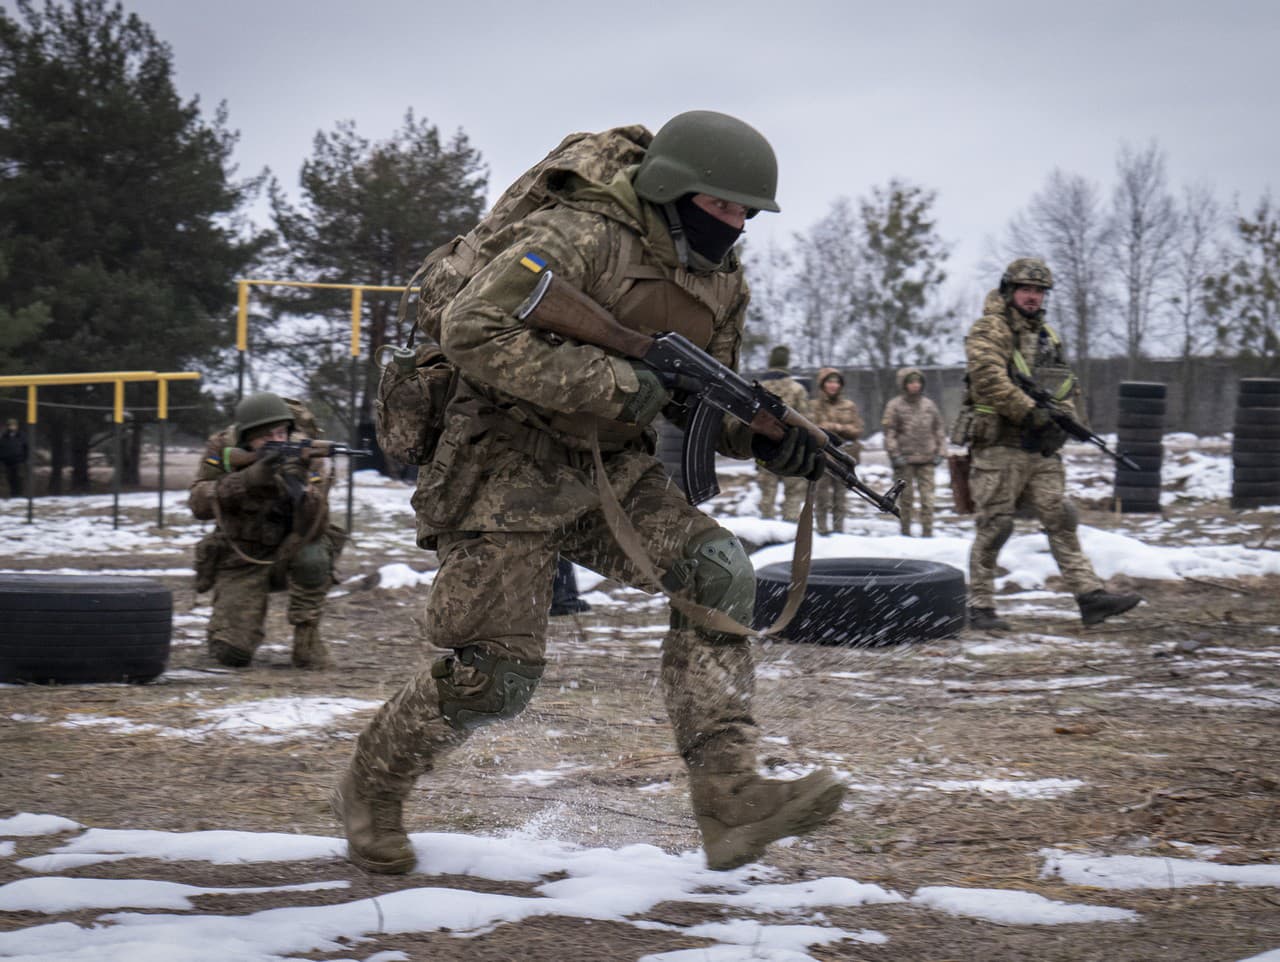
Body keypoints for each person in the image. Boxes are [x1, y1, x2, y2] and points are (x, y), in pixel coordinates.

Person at [333, 110, 844, 876]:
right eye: (724, 206)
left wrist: (773, 439)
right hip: (500, 464)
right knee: (497, 677)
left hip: (611, 470)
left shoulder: (720, 280)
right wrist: (616, 382)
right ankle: (372, 788)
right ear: (676, 190)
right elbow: (474, 328)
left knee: (718, 570)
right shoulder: (581, 236)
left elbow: (698, 401)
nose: (737, 225)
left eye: (747, 213)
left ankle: (731, 800)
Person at [961, 258, 1141, 631]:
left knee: (1061, 517)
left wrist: (1069, 424)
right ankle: (980, 605)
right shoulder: (989, 329)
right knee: (996, 526)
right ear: (1010, 290)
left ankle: (1090, 597)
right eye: (1026, 289)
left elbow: (1063, 385)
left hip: (1039, 450)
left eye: (1040, 291)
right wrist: (1031, 413)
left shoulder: (1047, 337)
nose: (1033, 297)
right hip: (999, 448)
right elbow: (988, 379)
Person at [188, 392, 344, 668]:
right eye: (266, 436)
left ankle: (307, 636)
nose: (277, 441)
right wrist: (246, 479)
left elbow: (315, 528)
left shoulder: (307, 453)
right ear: (247, 437)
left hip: (288, 550)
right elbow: (199, 505)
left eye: (281, 432)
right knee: (231, 655)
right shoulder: (223, 447)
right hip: (241, 555)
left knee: (315, 554)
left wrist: (304, 491)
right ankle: (229, 630)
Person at [881, 367, 946, 537]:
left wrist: (941, 451)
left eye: (918, 382)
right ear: (904, 384)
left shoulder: (929, 405)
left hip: (927, 459)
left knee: (928, 500)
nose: (915, 385)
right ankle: (905, 533)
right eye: (911, 382)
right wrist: (895, 455)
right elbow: (890, 432)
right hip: (905, 461)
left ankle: (928, 533)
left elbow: (938, 428)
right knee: (906, 500)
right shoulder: (894, 406)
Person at [756, 346, 811, 522]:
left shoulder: (757, 388)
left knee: (767, 493)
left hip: (763, 447)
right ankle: (789, 532)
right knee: (794, 493)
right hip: (791, 449)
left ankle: (766, 533)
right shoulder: (797, 389)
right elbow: (806, 422)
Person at [809, 367, 863, 535]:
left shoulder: (849, 406)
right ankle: (822, 529)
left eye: (837, 382)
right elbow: (810, 428)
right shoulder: (814, 406)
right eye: (830, 382)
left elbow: (857, 429)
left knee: (841, 496)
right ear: (823, 384)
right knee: (821, 496)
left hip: (844, 456)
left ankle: (839, 530)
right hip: (822, 458)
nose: (833, 385)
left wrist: (836, 427)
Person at [0, 419, 28, 498]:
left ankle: (19, 496)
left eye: (13, 425)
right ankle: (13, 495)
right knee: (10, 479)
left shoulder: (22, 436)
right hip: (7, 462)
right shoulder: (4, 436)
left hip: (18, 461)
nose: (12, 427)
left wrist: (24, 459)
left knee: (18, 479)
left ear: (16, 426)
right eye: (10, 425)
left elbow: (26, 448)